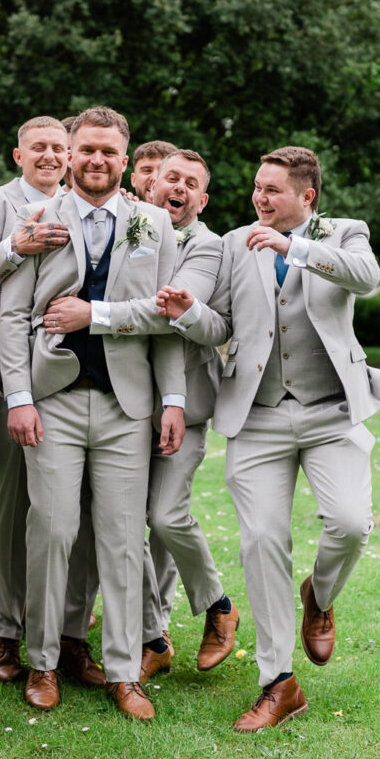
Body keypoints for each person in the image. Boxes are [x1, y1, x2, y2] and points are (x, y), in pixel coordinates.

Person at [160, 146, 380, 731]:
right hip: (257, 415)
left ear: (306, 197)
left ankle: (321, 593)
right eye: (257, 188)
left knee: (350, 523)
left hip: (331, 412)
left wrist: (296, 248)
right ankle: (278, 683)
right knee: (262, 539)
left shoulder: (344, 232)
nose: (259, 199)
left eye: (273, 191)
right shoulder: (235, 243)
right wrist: (189, 313)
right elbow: (224, 326)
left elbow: (367, 277)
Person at [0, 106, 185, 720]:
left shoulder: (153, 224)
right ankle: (44, 664)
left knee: (123, 538)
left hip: (127, 404)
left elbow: (166, 320)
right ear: (71, 154)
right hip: (51, 401)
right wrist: (19, 398)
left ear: (124, 158)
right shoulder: (38, 219)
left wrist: (174, 401)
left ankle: (126, 672)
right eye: (86, 150)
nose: (96, 161)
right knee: (51, 531)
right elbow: (13, 314)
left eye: (109, 151)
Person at [45, 149, 238, 682]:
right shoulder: (134, 226)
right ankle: (149, 637)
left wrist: (93, 313)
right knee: (115, 526)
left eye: (189, 183)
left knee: (164, 517)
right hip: (120, 399)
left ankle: (216, 604)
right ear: (149, 186)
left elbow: (174, 313)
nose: (174, 187)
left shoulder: (208, 245)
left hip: (182, 403)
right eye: (166, 177)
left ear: (202, 198)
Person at [0, 116, 87, 684]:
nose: (52, 157)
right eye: (40, 148)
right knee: (15, 505)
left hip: (74, 380)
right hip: (1, 376)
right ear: (18, 155)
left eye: (61, 148)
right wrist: (16, 246)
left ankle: (64, 627)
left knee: (66, 510)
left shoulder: (84, 203)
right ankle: (7, 630)